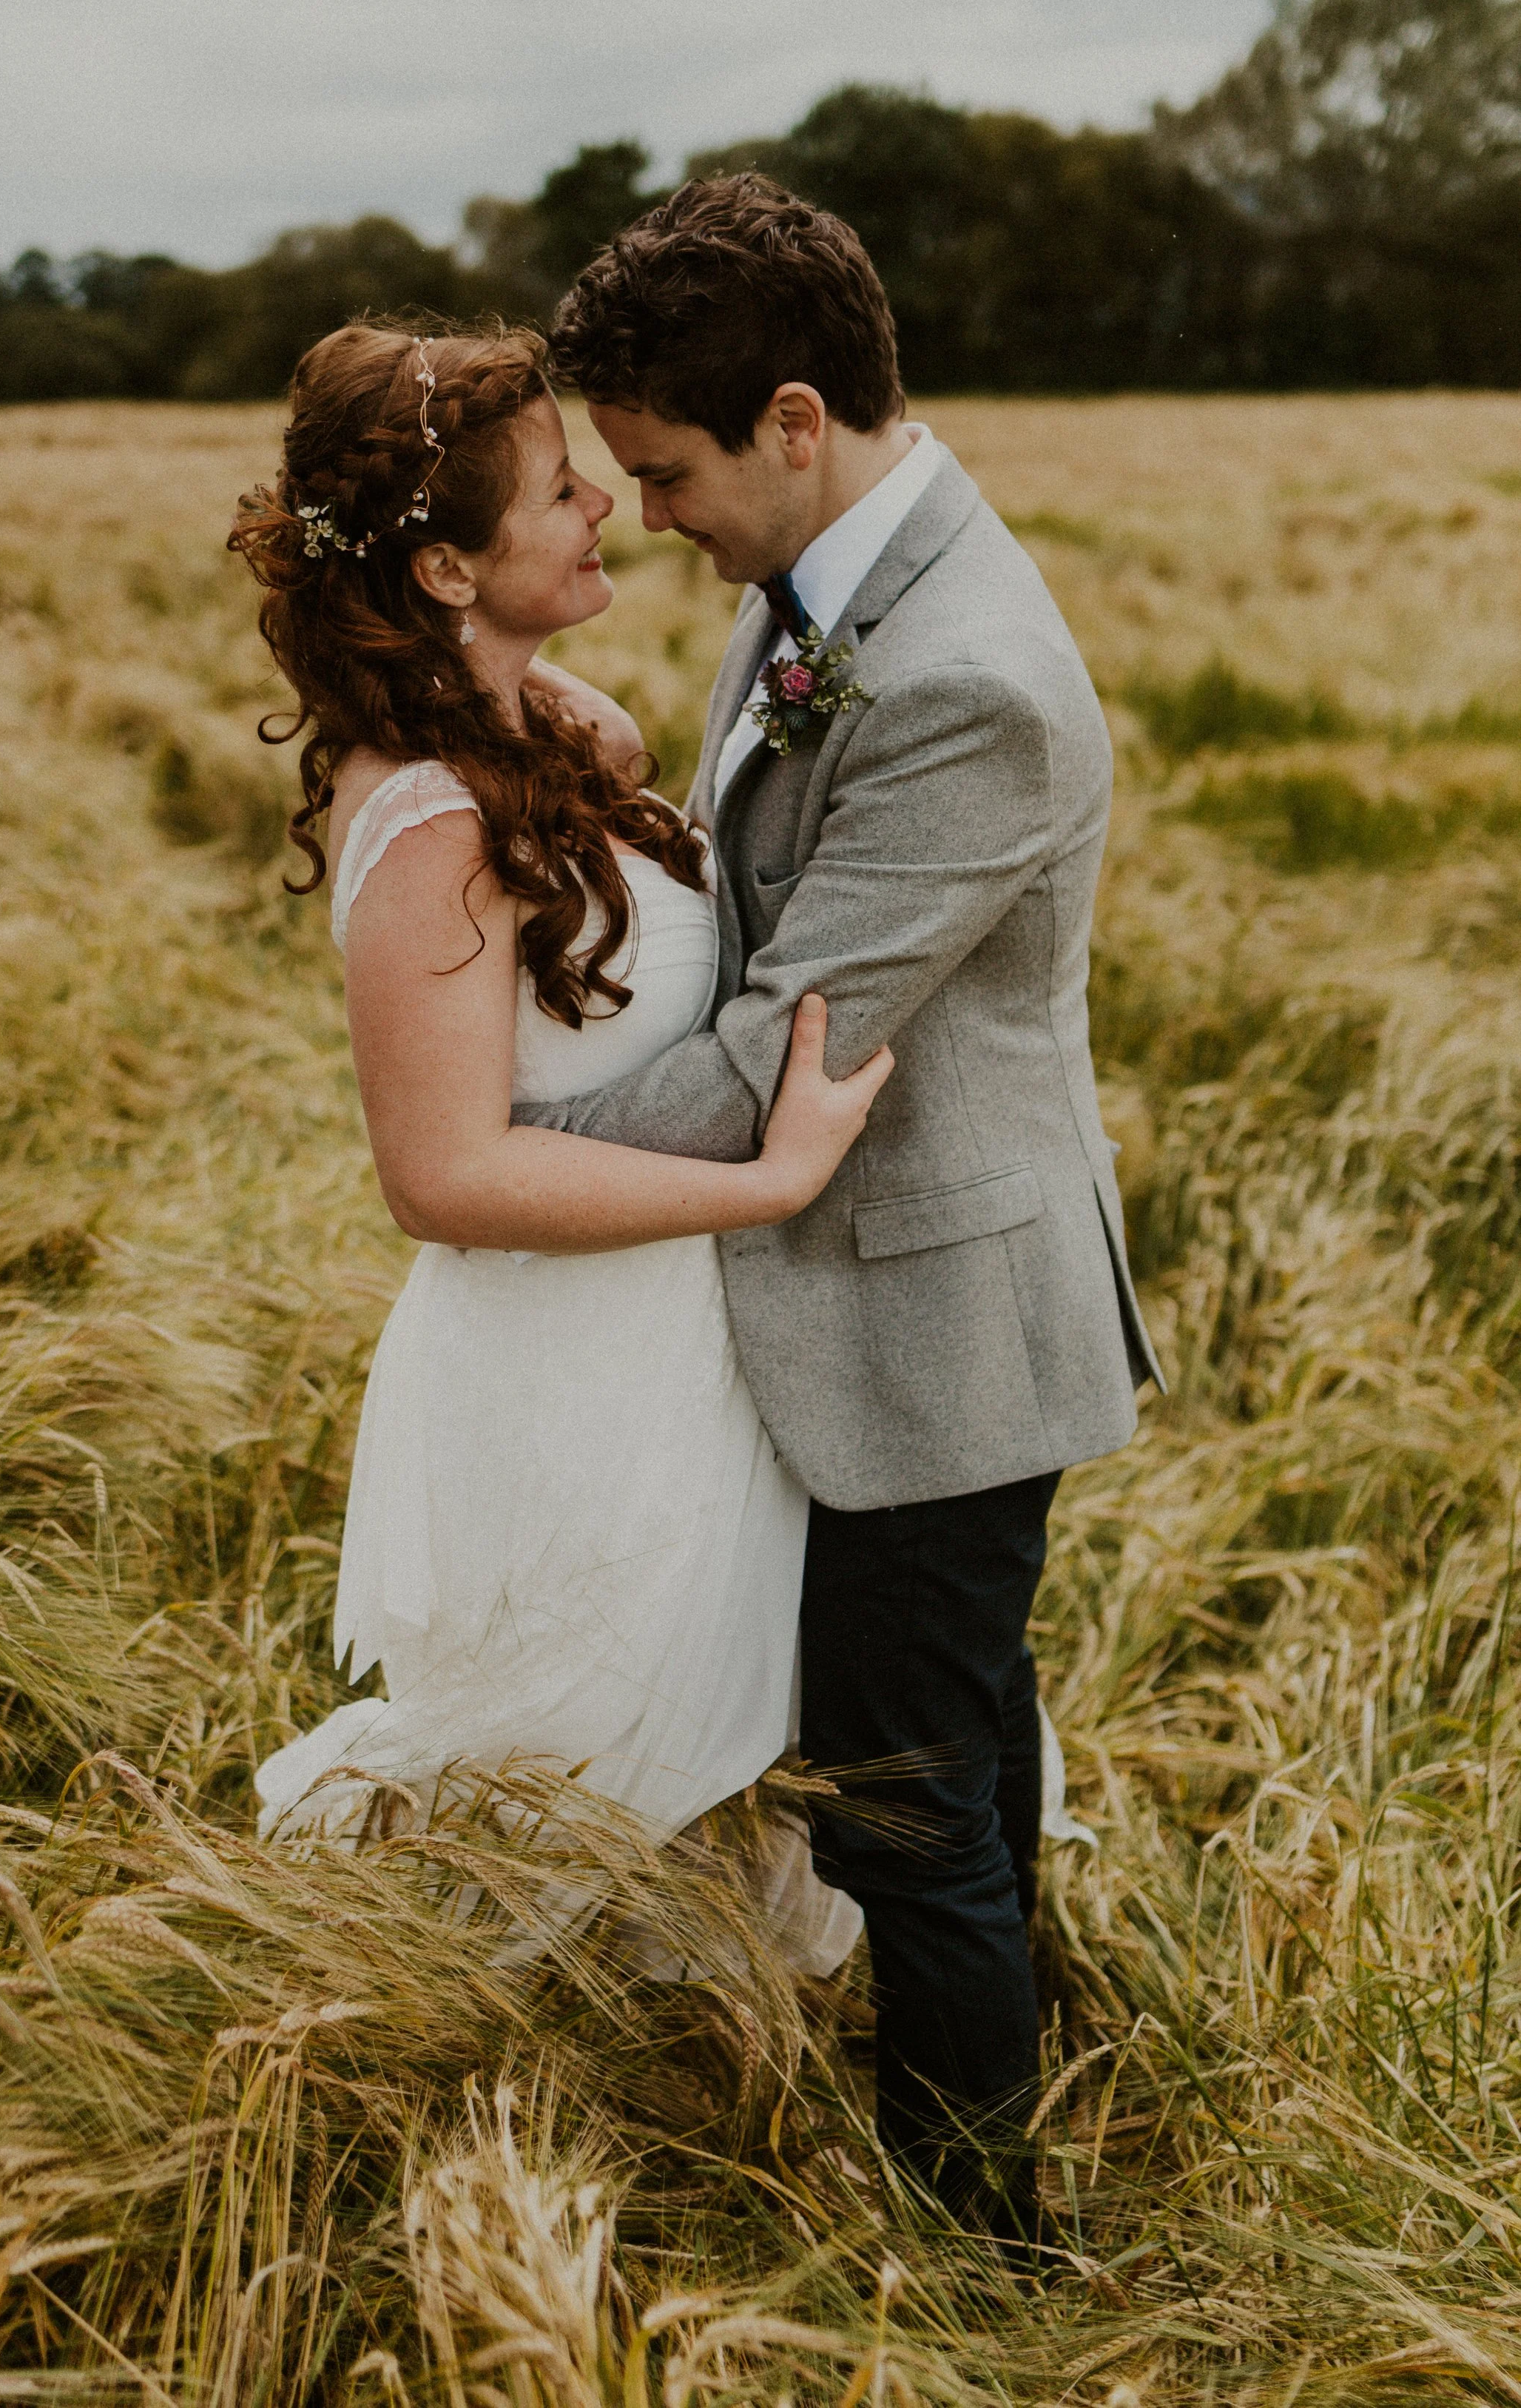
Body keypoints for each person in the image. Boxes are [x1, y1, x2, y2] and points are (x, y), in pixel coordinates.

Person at [519, 174, 1164, 2239]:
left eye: (667, 473)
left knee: (909, 1808)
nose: (649, 521)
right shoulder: (815, 578)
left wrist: (498, 1167)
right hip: (859, 1286)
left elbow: (784, 1050)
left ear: (793, 419)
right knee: (952, 1763)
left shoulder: (966, 675)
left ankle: (984, 2255)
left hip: (931, 1319)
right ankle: (1000, 2148)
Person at [232, 320, 886, 1976]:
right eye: (553, 488)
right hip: (568, 1370)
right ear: (449, 566)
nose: (605, 500)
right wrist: (766, 1182)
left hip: (686, 1342)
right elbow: (437, 1176)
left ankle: (701, 2118)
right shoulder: (431, 822)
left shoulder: (557, 740)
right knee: (542, 1815)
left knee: (718, 1779)